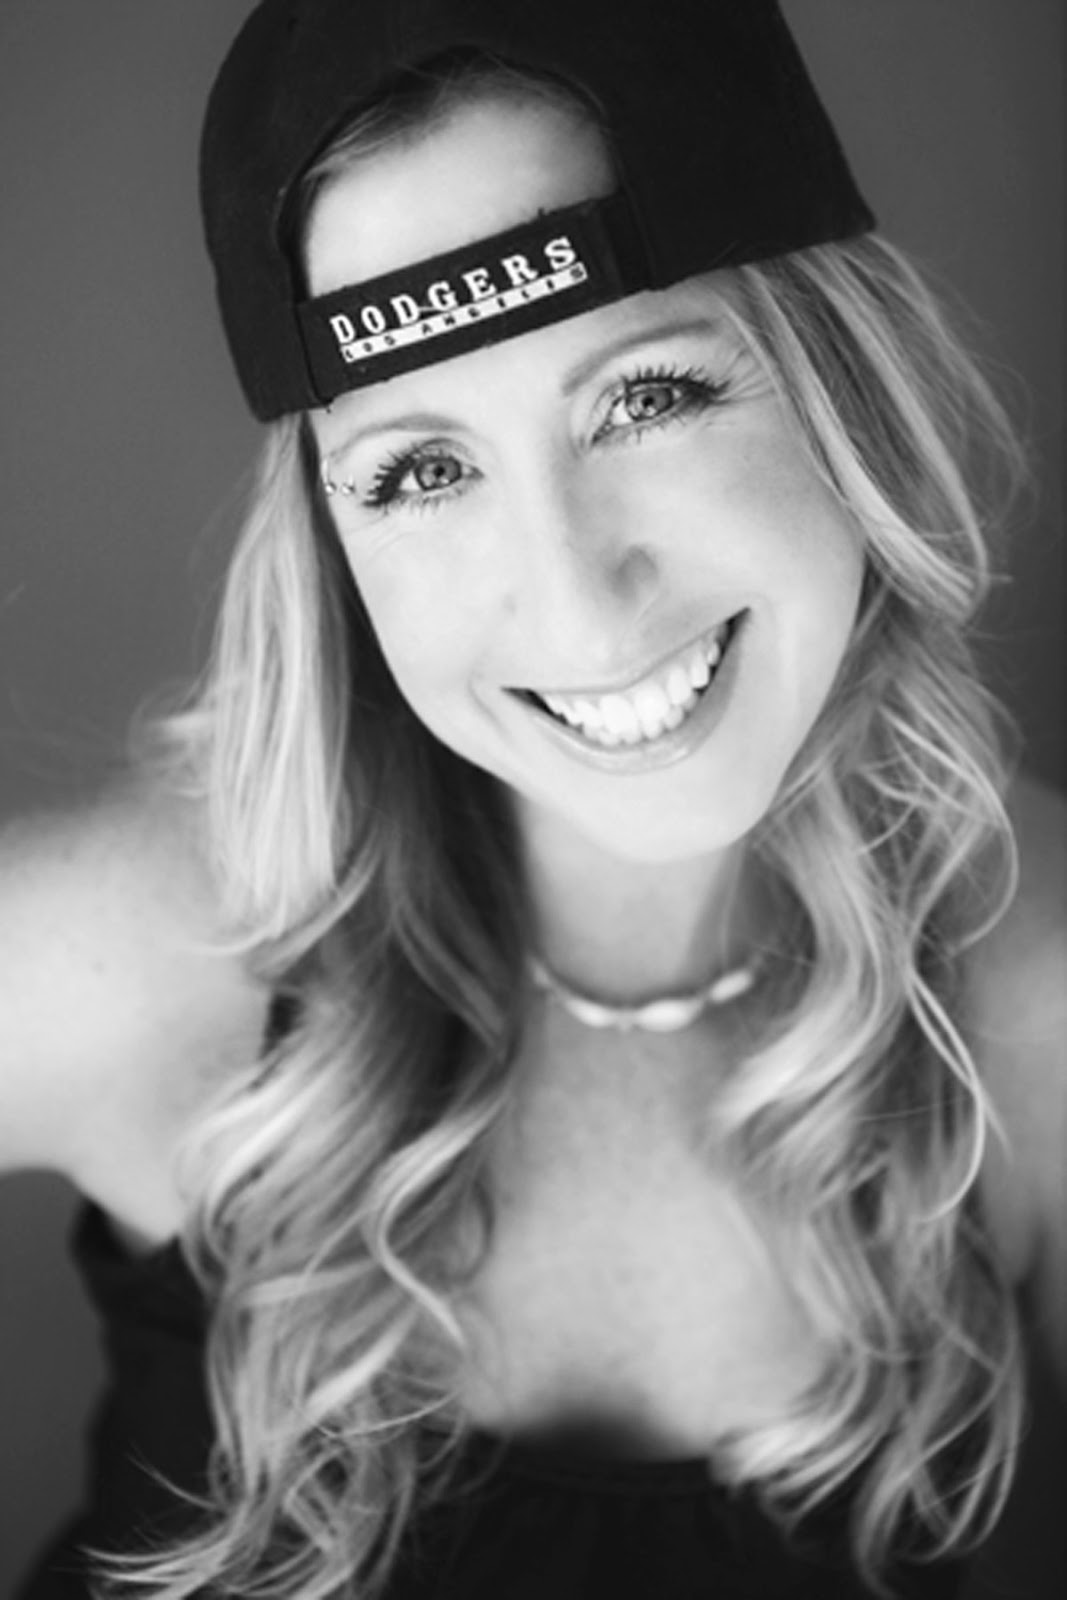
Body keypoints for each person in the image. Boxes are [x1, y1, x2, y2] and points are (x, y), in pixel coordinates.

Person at [2, 0, 1064, 1596]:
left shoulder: (1034, 1000)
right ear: (336, 545)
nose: (575, 602)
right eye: (422, 471)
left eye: (648, 396)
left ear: (839, 378)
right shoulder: (150, 962)